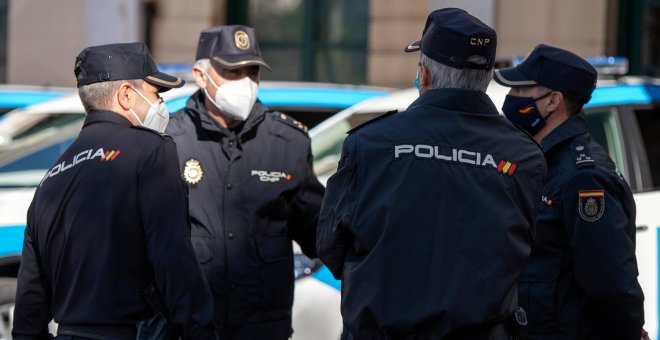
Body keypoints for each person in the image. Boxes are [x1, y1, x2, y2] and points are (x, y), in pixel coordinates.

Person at [317, 8, 547, 339]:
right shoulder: (523, 156)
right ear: (485, 77)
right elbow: (530, 252)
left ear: (424, 75)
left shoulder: (371, 143)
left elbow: (331, 246)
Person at [12, 42, 217, 339]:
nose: (160, 104)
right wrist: (200, 332)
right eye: (155, 94)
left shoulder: (52, 177)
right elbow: (174, 259)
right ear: (125, 95)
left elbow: (31, 298)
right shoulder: (151, 151)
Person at [165, 25, 324, 340]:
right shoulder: (170, 141)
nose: (246, 83)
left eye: (252, 72)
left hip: (262, 326)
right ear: (200, 75)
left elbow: (320, 230)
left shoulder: (287, 142)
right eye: (232, 73)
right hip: (190, 325)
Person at [494, 44, 645, 339]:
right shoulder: (539, 161)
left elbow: (610, 282)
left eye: (521, 91)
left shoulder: (582, 177)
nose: (510, 100)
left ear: (553, 101)